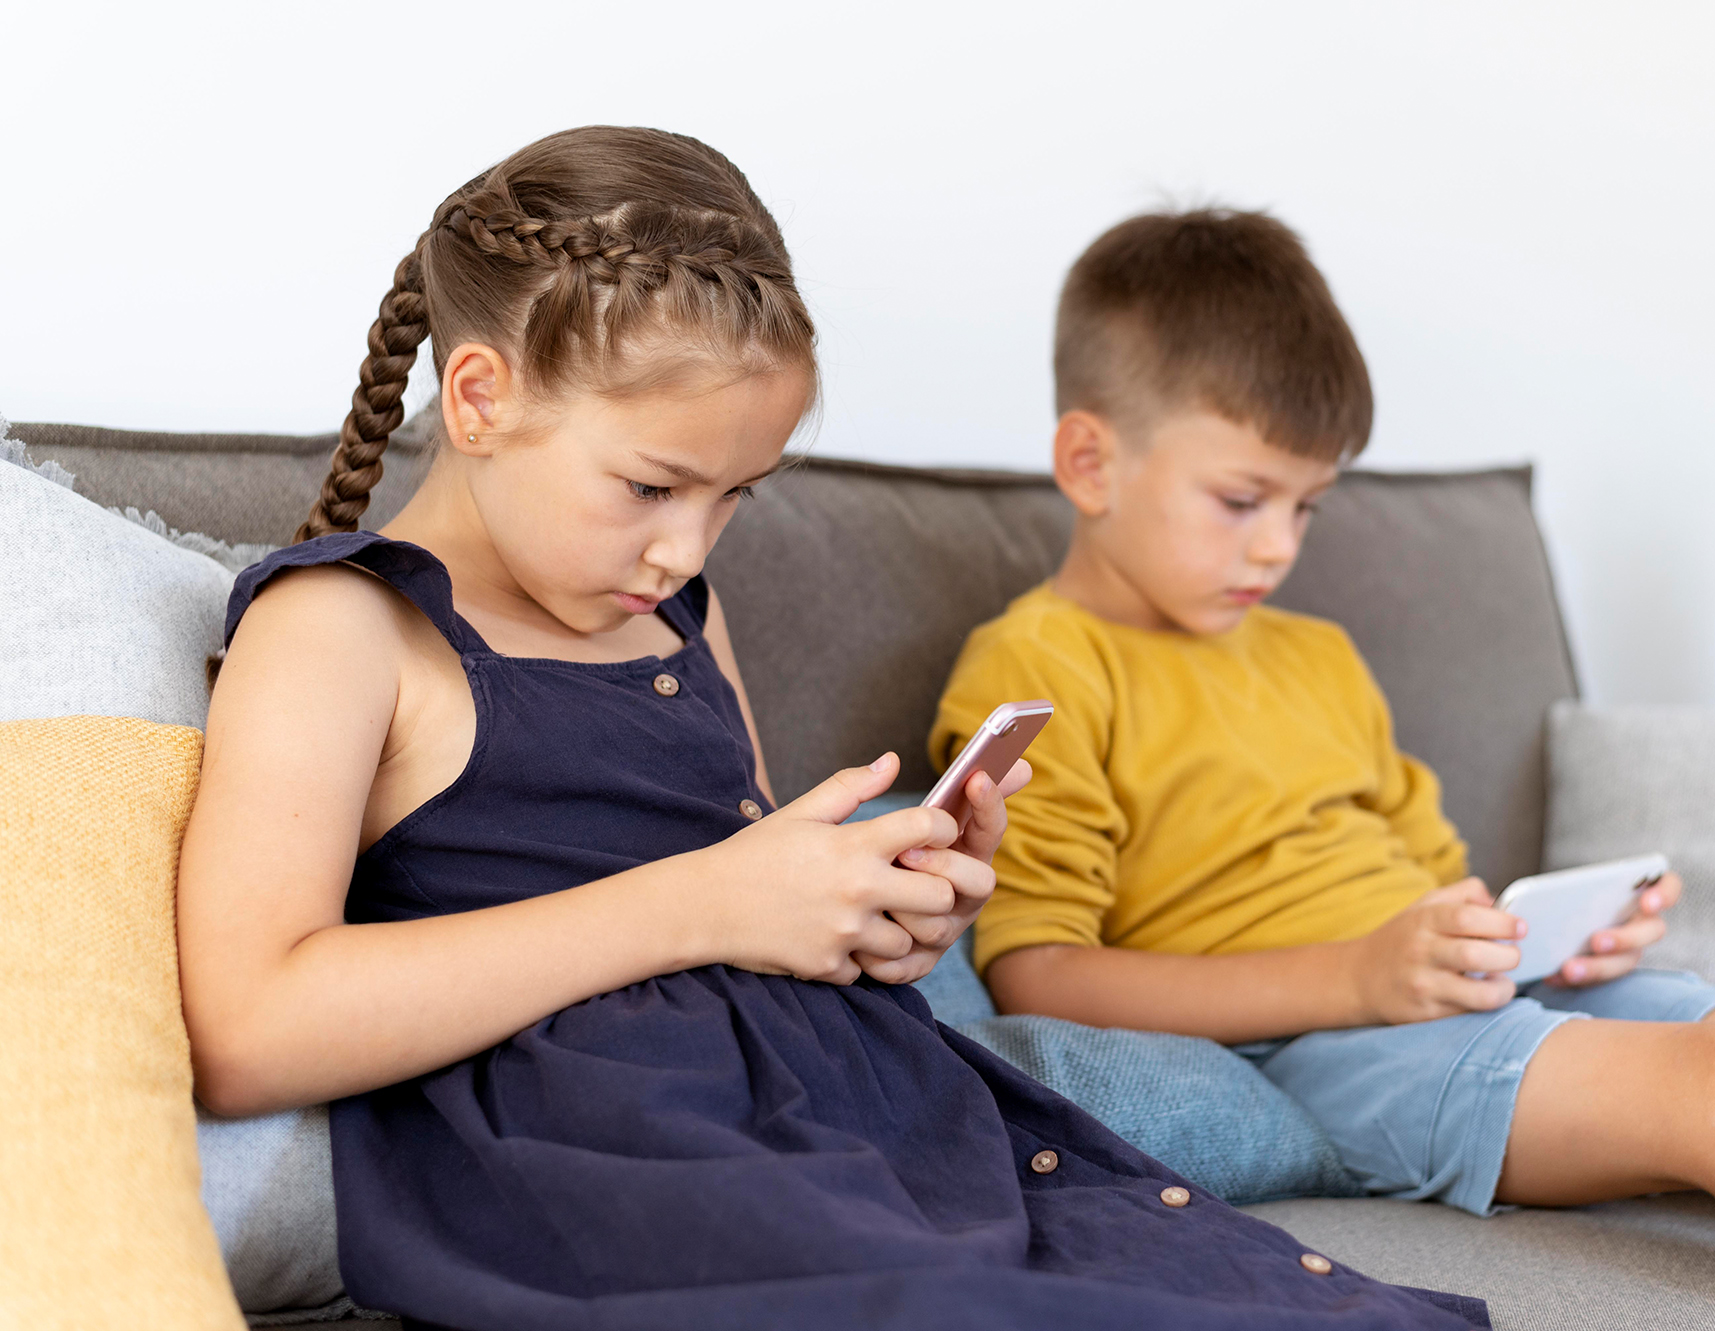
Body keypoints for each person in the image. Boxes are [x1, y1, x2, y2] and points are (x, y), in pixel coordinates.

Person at [174, 129, 1487, 1331]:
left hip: (858, 1106)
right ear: (478, 397)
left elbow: (755, 907)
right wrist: (705, 903)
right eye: (650, 483)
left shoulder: (674, 609)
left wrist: (881, 911)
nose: (685, 543)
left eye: (736, 492)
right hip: (616, 1156)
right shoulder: (344, 630)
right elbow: (250, 1023)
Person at [929, 207, 1715, 1331]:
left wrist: (1547, 935)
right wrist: (1358, 977)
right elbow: (1038, 977)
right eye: (1241, 500)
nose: (1276, 546)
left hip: (1476, 997)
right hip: (1333, 1045)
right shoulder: (1041, 661)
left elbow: (1442, 889)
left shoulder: (1317, 654)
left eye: (1304, 505)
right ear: (1089, 461)